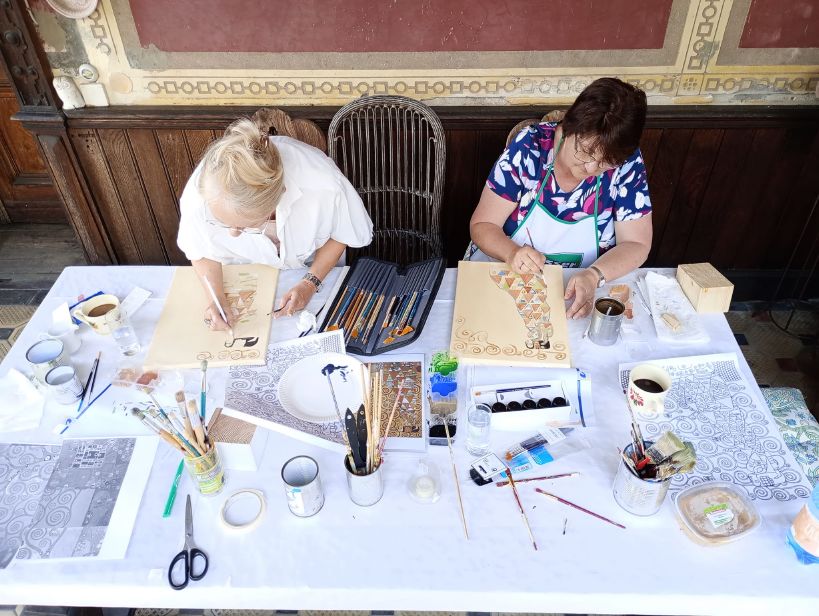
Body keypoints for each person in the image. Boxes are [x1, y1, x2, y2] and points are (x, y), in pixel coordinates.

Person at [468, 77, 653, 319]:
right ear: (568, 128)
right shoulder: (530, 148)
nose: (591, 168)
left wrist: (595, 275)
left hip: (577, 292)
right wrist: (511, 252)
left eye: (606, 162)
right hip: (509, 278)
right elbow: (482, 225)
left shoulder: (627, 164)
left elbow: (637, 244)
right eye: (585, 152)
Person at [177, 117, 373, 331]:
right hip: (245, 277)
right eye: (224, 223)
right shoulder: (202, 194)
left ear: (278, 198)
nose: (233, 234)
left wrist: (310, 283)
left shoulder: (322, 184)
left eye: (244, 226)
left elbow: (343, 232)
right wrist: (215, 298)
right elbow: (199, 249)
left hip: (316, 268)